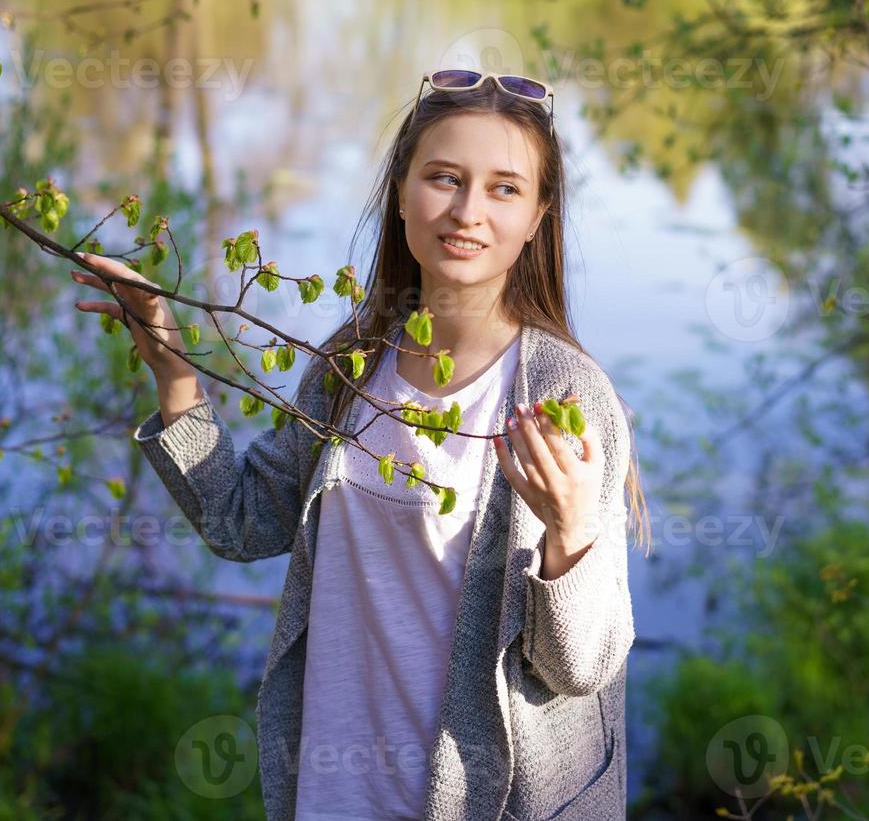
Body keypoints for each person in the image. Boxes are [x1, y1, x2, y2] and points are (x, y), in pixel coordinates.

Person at [69, 68, 651, 820]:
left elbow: (580, 669)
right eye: (444, 178)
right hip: (337, 791)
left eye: (504, 188)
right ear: (402, 192)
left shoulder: (564, 398)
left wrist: (570, 539)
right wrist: (173, 371)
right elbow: (242, 522)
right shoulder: (351, 366)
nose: (467, 211)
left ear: (540, 214)